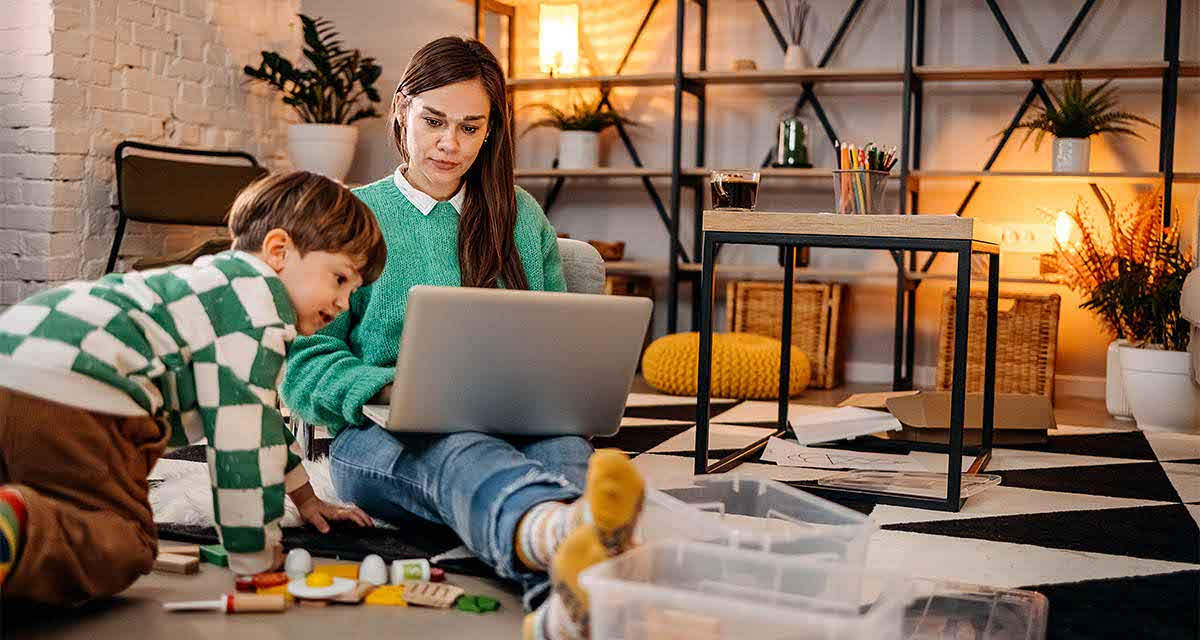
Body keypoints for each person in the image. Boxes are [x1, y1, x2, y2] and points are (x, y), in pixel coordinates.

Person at [279, 37, 645, 640]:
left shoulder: (519, 215)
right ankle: (558, 539)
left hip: (520, 422)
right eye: (434, 121)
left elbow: (558, 339)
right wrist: (388, 386)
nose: (451, 144)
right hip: (377, 439)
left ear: (491, 131)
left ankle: (569, 608)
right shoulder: (349, 214)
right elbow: (304, 362)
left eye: (471, 128)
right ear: (401, 110)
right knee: (459, 451)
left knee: (565, 456)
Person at [0, 171, 383, 605]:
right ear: (279, 251)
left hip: (15, 353)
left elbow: (263, 424)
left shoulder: (210, 284)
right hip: (88, 388)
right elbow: (243, 444)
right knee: (123, 540)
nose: (344, 303)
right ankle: (21, 526)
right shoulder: (256, 312)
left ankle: (19, 521)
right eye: (340, 279)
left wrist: (307, 500)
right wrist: (254, 554)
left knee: (36, 482)